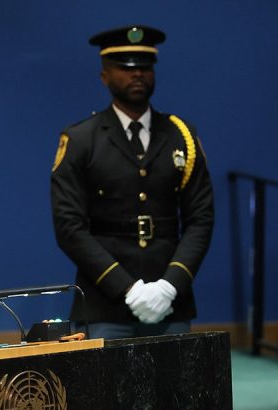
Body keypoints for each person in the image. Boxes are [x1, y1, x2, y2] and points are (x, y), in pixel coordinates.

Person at [50, 25, 214, 339]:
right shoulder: (81, 139)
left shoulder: (182, 136)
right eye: (125, 67)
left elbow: (201, 219)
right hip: (104, 302)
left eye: (144, 66)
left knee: (178, 373)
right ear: (105, 76)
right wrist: (127, 288)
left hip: (170, 301)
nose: (137, 73)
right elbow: (69, 227)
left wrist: (170, 285)